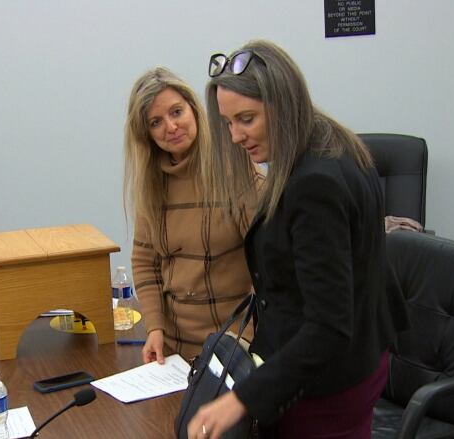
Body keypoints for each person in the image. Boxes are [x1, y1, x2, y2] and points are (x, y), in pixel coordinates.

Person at [188, 41, 409, 438]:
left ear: (284, 104)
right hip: (358, 352)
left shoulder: (314, 184)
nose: (236, 136)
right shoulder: (329, 141)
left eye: (247, 119)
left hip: (329, 379)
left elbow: (328, 326)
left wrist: (243, 398)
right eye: (228, 123)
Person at [123, 67, 262, 363]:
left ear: (194, 109)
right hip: (173, 353)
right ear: (145, 133)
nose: (171, 127)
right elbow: (145, 262)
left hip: (234, 345)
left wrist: (243, 338)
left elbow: (268, 264)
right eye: (156, 122)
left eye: (177, 112)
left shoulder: (233, 169)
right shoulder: (151, 184)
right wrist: (154, 328)